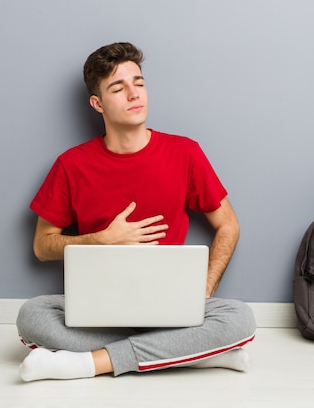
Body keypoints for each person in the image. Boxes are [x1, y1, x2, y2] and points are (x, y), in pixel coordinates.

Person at [16, 42, 256, 381]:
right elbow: (42, 245)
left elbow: (229, 224)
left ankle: (88, 364)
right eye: (118, 87)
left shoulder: (184, 152)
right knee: (32, 315)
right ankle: (187, 353)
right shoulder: (71, 165)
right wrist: (101, 240)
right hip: (100, 308)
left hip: (171, 305)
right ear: (97, 104)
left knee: (240, 317)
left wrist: (203, 288)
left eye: (138, 83)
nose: (134, 94)